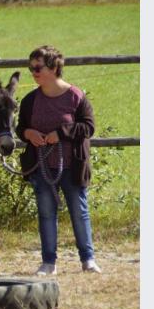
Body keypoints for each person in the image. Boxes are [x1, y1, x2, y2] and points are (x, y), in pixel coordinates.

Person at [15, 45, 102, 276]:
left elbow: (88, 126)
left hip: (72, 166)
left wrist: (61, 133)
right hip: (42, 167)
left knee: (79, 211)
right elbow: (20, 127)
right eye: (30, 67)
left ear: (54, 68)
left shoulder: (76, 96)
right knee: (45, 213)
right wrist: (28, 134)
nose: (33, 72)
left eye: (37, 67)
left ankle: (88, 259)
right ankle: (49, 262)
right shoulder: (30, 100)